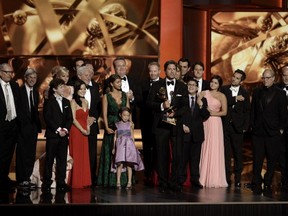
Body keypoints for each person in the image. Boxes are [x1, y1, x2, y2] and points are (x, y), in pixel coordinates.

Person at [147, 60, 189, 193]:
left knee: (177, 154)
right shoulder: (157, 85)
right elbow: (149, 103)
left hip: (176, 124)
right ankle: (163, 181)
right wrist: (161, 106)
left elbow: (186, 106)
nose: (171, 71)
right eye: (169, 69)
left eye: (174, 69)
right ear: (165, 71)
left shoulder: (182, 86)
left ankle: (175, 181)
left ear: (177, 71)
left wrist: (175, 113)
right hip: (160, 124)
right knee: (161, 154)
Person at [249, 68, 287, 194]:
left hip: (273, 132)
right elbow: (253, 111)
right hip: (258, 132)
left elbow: (283, 114)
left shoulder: (280, 93)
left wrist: (280, 130)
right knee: (257, 159)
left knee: (272, 159)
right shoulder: (257, 91)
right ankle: (256, 182)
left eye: (267, 78)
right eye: (263, 77)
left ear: (273, 79)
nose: (265, 80)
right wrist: (252, 126)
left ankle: (268, 181)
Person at [97, 74, 130, 187]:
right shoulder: (107, 96)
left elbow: (128, 111)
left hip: (123, 127)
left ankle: (123, 180)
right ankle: (108, 179)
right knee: (110, 151)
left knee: (123, 153)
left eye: (120, 82)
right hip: (111, 125)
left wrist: (129, 124)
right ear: (111, 84)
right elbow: (104, 114)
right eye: (117, 82)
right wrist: (106, 127)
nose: (120, 84)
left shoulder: (124, 95)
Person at [41, 78, 73, 193]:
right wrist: (58, 129)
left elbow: (70, 118)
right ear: (54, 89)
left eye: (63, 86)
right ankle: (47, 182)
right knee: (49, 159)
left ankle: (61, 182)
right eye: (60, 87)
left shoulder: (66, 102)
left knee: (62, 159)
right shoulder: (49, 102)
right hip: (53, 136)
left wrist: (65, 129)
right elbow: (48, 118)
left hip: (64, 136)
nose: (63, 88)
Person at [221, 69, 250, 188]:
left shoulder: (245, 93)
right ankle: (227, 178)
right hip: (225, 126)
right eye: (234, 76)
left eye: (237, 78)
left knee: (238, 154)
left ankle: (238, 178)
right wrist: (235, 99)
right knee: (226, 154)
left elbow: (247, 111)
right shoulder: (224, 89)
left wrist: (245, 127)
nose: (234, 79)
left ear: (241, 81)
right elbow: (221, 103)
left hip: (238, 128)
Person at [197, 75, 228, 188]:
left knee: (214, 148)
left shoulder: (222, 96)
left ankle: (215, 177)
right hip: (205, 122)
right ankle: (202, 177)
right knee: (204, 147)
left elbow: (224, 112)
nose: (212, 84)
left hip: (215, 124)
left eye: (215, 83)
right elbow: (198, 102)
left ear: (219, 85)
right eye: (211, 82)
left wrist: (212, 113)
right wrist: (200, 102)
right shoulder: (204, 92)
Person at [16, 68, 42, 191]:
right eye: (30, 77)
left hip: (32, 128)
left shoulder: (36, 92)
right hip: (22, 128)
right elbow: (18, 110)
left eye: (35, 78)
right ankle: (21, 179)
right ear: (25, 78)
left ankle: (27, 178)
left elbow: (35, 110)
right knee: (22, 153)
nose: (32, 80)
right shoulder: (19, 91)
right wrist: (22, 125)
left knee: (31, 154)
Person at [179, 78, 206, 189]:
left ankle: (195, 180)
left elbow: (206, 115)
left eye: (193, 85)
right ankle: (181, 180)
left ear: (197, 87)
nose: (191, 86)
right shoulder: (181, 99)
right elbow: (176, 115)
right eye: (189, 84)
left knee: (195, 159)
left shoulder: (202, 100)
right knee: (183, 159)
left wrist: (201, 105)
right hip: (184, 134)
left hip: (197, 135)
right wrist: (182, 125)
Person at [77, 64, 101, 186]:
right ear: (79, 76)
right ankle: (80, 177)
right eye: (86, 75)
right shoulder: (74, 89)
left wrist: (93, 118)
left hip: (92, 124)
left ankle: (92, 177)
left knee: (92, 153)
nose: (88, 77)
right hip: (78, 126)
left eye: (90, 75)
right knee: (80, 153)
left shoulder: (95, 88)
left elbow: (98, 107)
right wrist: (84, 119)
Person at [139, 61, 162, 186]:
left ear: (159, 71)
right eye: (150, 71)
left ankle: (159, 174)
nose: (152, 73)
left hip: (160, 122)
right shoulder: (143, 83)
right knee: (147, 148)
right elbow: (140, 101)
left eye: (155, 71)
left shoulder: (163, 83)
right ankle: (148, 174)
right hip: (146, 121)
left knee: (159, 148)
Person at [111, 107, 144, 190]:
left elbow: (132, 137)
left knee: (129, 164)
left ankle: (129, 182)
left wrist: (135, 147)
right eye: (124, 115)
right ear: (120, 115)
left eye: (128, 116)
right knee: (119, 164)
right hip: (120, 146)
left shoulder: (130, 124)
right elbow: (115, 137)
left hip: (129, 146)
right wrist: (113, 148)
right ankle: (118, 182)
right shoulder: (117, 124)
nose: (126, 117)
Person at [0, 63, 20, 191]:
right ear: (0, 72)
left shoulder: (14, 85)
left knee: (8, 154)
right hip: (1, 125)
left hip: (12, 125)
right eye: (7, 72)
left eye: (11, 72)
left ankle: (4, 177)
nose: (10, 75)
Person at [69, 79, 91, 188]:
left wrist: (88, 128)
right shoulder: (73, 102)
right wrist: (82, 130)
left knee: (84, 155)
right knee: (77, 155)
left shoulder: (86, 101)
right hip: (76, 131)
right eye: (80, 89)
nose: (83, 91)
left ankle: (84, 180)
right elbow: (73, 119)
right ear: (76, 90)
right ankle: (76, 182)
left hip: (84, 131)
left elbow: (87, 118)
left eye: (84, 89)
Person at [112, 57, 141, 127]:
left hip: (132, 118)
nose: (122, 68)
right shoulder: (108, 82)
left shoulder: (135, 80)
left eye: (123, 65)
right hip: (115, 118)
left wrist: (132, 98)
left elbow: (140, 98)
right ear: (114, 68)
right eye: (119, 66)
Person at [276, 66, 288, 188]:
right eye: (284, 75)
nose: (286, 77)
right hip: (280, 127)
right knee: (281, 154)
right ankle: (284, 178)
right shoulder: (276, 88)